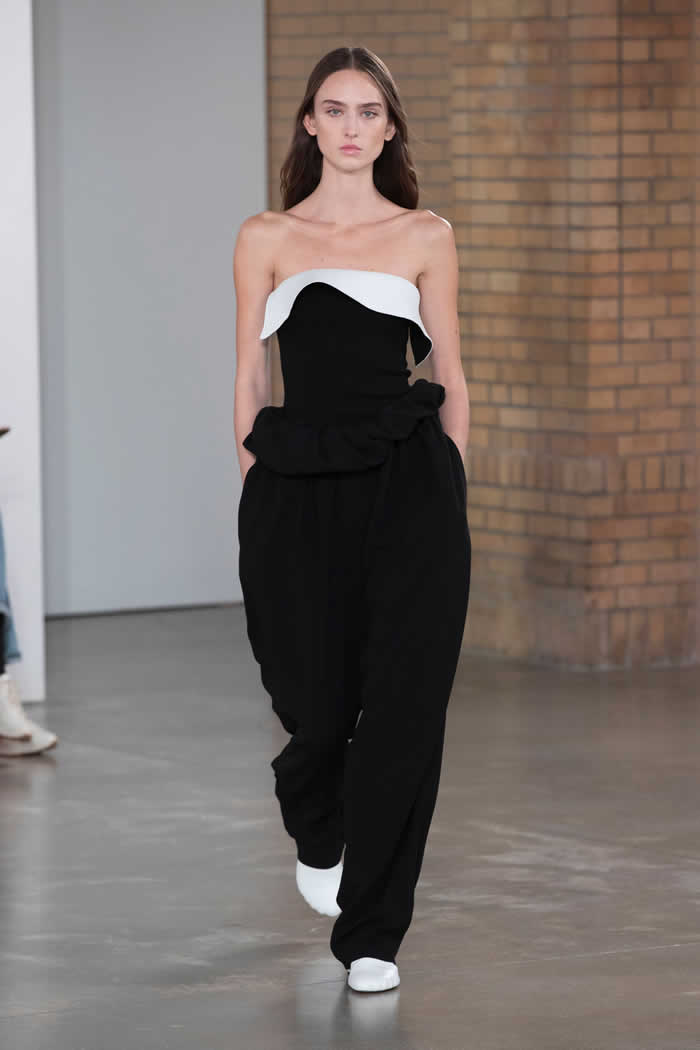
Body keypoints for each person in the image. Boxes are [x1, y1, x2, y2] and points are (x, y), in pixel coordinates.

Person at [233, 46, 470, 993]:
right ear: (309, 122)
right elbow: (249, 376)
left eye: (369, 112)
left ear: (389, 128)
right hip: (298, 482)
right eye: (334, 110)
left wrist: (453, 493)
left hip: (409, 484)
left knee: (407, 707)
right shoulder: (266, 235)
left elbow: (451, 371)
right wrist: (254, 485)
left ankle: (372, 933)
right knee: (315, 701)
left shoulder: (426, 235)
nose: (351, 127)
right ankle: (317, 819)